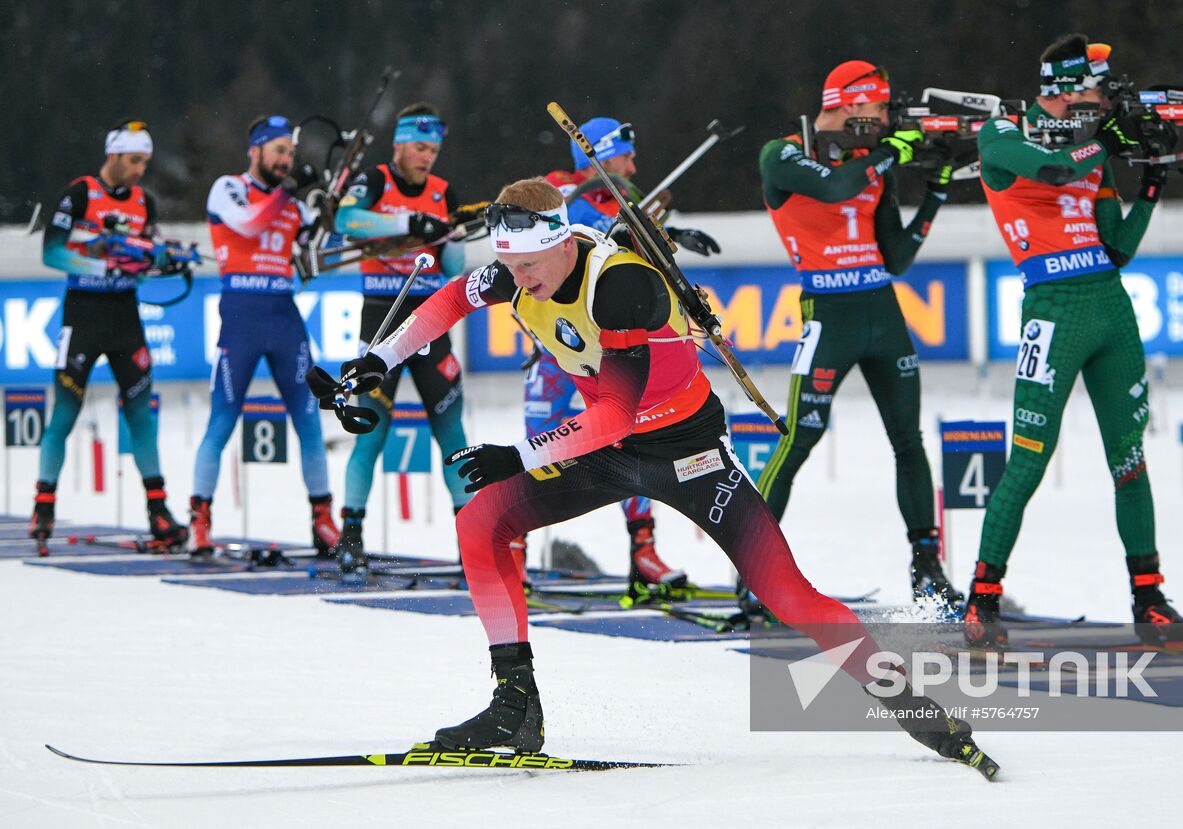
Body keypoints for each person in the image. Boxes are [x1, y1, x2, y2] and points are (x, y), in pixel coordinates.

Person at [322, 178, 986, 767]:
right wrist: (382, 355)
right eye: (508, 266)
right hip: (607, 455)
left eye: (528, 266)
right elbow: (447, 302)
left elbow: (613, 412)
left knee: (789, 596)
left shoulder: (620, 284)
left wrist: (517, 456)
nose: (517, 280)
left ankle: (916, 710)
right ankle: (515, 704)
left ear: (563, 243)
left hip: (685, 453)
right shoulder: (517, 268)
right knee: (481, 521)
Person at [964, 34, 1183, 648]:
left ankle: (1149, 599)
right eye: (1098, 87)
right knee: (1029, 461)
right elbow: (1054, 167)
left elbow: (1116, 245)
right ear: (1066, 89)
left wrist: (1152, 177)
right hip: (1053, 309)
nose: (1106, 96)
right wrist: (1108, 142)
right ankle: (981, 601)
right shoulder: (1004, 133)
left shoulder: (1093, 150)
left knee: (1130, 460)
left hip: (1109, 309)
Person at [756, 60, 958, 602]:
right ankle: (754, 571)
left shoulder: (875, 161)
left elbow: (896, 258)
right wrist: (894, 151)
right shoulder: (783, 153)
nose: (886, 118)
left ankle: (928, 569)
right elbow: (836, 186)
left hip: (883, 313)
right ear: (849, 104)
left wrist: (936, 191)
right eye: (879, 108)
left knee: (908, 442)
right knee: (799, 440)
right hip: (829, 313)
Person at [517, 116, 720, 590]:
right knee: (534, 441)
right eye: (623, 155)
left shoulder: (623, 201)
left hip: (607, 352)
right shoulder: (556, 195)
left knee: (630, 439)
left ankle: (644, 552)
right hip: (559, 349)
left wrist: (669, 236)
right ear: (598, 156)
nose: (632, 163)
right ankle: (512, 546)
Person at [31, 120, 186, 549]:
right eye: (134, 160)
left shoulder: (144, 202)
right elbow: (52, 252)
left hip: (125, 319)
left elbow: (143, 259)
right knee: (64, 413)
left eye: (146, 162)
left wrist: (162, 262)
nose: (140, 169)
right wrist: (104, 266)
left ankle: (158, 509)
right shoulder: (79, 193)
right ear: (113, 155)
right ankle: (43, 505)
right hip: (82, 316)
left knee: (140, 414)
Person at [329, 102, 470, 571]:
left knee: (452, 430)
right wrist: (409, 224)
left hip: (431, 319)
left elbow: (453, 269)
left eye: (433, 149)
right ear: (400, 144)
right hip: (382, 318)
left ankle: (472, 538)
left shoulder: (443, 191)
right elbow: (346, 221)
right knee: (370, 432)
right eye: (419, 147)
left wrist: (450, 237)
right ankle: (350, 536)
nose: (427, 156)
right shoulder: (375, 180)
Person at [190, 115, 339, 555]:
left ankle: (323, 519)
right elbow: (251, 223)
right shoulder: (229, 188)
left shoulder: (291, 203)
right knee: (222, 419)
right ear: (255, 150)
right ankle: (199, 520)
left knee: (309, 420)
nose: (286, 160)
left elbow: (320, 248)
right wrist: (290, 194)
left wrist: (328, 209)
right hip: (241, 314)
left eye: (290, 154)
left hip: (283, 315)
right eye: (279, 151)